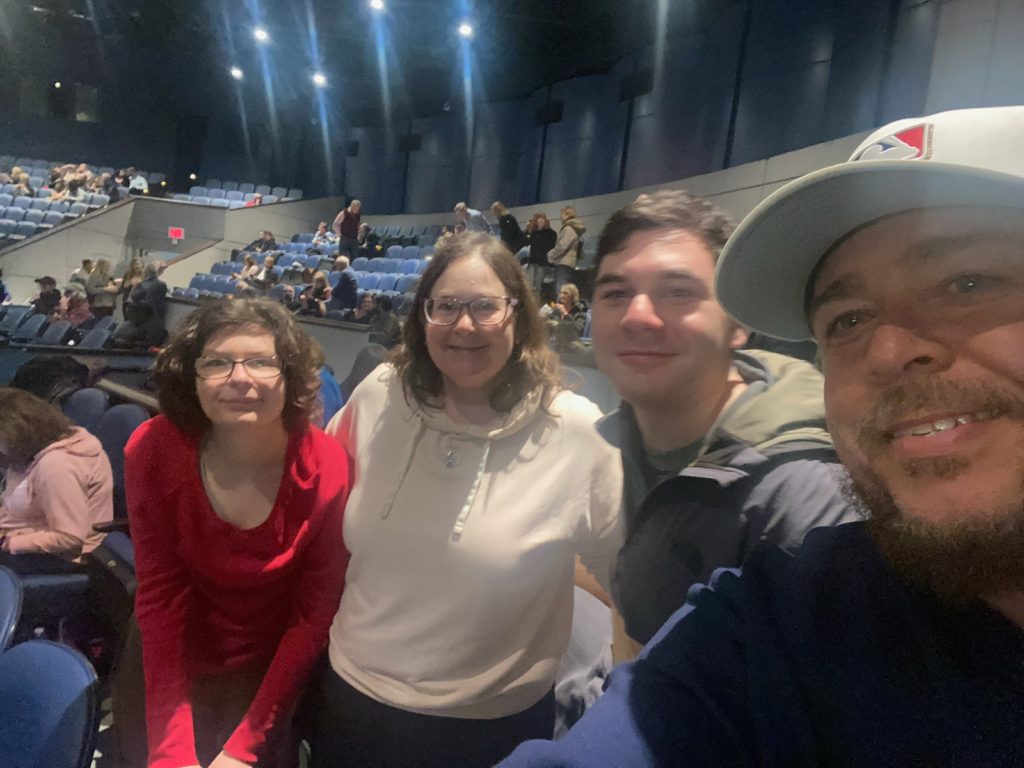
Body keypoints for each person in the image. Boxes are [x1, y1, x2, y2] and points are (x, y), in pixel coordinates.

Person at [498, 104, 1024, 767]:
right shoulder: (785, 612)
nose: (888, 350)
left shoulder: (799, 497)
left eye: (967, 282)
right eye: (849, 318)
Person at [311, 232, 622, 767]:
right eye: (446, 306)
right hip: (348, 701)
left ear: (518, 315)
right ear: (422, 316)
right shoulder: (380, 393)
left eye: (485, 307)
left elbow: (631, 588)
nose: (463, 325)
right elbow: (317, 499)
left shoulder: (577, 431)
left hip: (485, 733)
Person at [587, 189, 856, 654]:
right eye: (616, 292)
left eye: (678, 292)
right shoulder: (613, 442)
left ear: (738, 322)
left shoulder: (805, 496)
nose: (638, 316)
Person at [125, 298, 351, 768]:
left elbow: (312, 616)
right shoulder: (152, 449)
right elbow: (160, 598)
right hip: (167, 666)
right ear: (193, 376)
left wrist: (245, 748)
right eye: (217, 362)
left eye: (262, 362)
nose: (239, 379)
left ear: (288, 376)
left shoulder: (327, 466)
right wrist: (171, 753)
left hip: (269, 676)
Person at [0, 388, 113, 572]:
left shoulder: (57, 466)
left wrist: (9, 542)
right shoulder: (30, 453)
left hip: (61, 557)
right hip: (20, 534)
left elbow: (69, 537)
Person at [546, 206, 585, 295]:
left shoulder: (568, 228)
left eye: (562, 214)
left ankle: (560, 307)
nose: (560, 216)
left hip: (563, 262)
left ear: (567, 215)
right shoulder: (574, 229)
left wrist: (550, 255)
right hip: (568, 262)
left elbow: (562, 246)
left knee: (560, 289)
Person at [525, 212, 557, 297]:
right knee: (530, 285)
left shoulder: (551, 233)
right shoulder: (534, 233)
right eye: (538, 219)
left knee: (537, 285)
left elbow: (551, 247)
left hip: (543, 262)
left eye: (543, 219)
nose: (541, 221)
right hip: (533, 262)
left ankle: (536, 304)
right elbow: (526, 243)